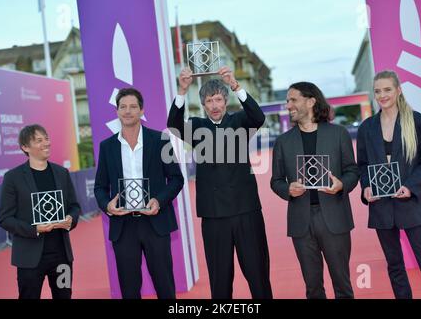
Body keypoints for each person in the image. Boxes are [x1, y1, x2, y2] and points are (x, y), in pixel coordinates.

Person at [167, 66, 272, 299]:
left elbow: (259, 117)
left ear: (225, 101)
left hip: (246, 211)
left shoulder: (241, 122)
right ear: (203, 105)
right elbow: (173, 124)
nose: (214, 105)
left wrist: (235, 85)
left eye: (218, 100)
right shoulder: (195, 127)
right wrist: (182, 90)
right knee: (220, 279)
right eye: (208, 101)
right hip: (214, 216)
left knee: (258, 275)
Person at [270, 82, 359, 299]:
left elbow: (352, 171)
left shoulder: (338, 134)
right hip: (301, 221)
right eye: (287, 100)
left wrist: (341, 184)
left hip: (334, 217)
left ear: (310, 102)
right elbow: (276, 181)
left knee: (342, 286)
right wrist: (288, 189)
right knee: (313, 288)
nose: (288, 104)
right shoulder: (283, 142)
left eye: (293, 100)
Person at [357, 70, 421, 299]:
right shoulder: (366, 128)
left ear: (398, 90)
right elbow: (362, 166)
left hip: (413, 205)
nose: (382, 95)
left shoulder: (417, 121)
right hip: (382, 208)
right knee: (394, 266)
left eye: (387, 89)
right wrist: (366, 187)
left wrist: (411, 186)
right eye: (377, 91)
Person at [94, 87, 184, 299]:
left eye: (133, 106)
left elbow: (176, 179)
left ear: (141, 111)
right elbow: (99, 187)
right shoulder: (107, 147)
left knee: (165, 286)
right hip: (124, 227)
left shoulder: (159, 140)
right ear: (116, 111)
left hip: (155, 223)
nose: (128, 111)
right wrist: (107, 205)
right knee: (129, 289)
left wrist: (159, 201)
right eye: (123, 107)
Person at [0, 124, 80, 299]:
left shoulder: (61, 173)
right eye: (39, 140)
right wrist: (35, 228)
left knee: (64, 296)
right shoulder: (13, 178)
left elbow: (74, 206)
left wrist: (70, 220)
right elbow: (5, 219)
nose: (46, 143)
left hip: (61, 256)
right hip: (29, 259)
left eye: (47, 139)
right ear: (25, 147)